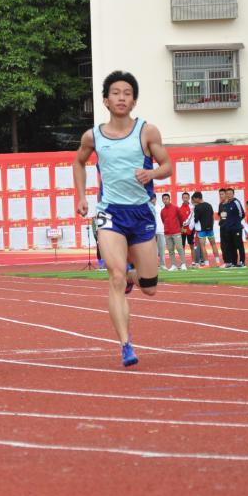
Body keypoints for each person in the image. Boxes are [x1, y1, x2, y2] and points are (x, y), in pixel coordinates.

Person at [73, 71, 172, 368]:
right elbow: (78, 162)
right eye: (115, 93)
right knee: (114, 276)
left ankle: (132, 276)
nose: (121, 98)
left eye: (127, 93)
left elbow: (167, 166)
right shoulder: (93, 136)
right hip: (110, 213)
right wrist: (81, 196)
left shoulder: (147, 131)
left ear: (134, 101)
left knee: (150, 287)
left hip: (141, 213)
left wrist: (152, 173)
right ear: (105, 100)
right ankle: (126, 344)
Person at [190, 192, 220, 266]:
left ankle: (207, 263)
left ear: (197, 198)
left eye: (194, 199)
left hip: (202, 230)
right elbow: (212, 217)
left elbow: (196, 219)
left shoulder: (197, 207)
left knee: (203, 246)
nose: (194, 201)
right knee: (213, 244)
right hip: (210, 228)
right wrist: (211, 226)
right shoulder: (209, 205)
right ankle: (218, 262)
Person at [159, 193, 186, 270]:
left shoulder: (176, 208)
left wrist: (180, 227)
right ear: (162, 200)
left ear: (169, 199)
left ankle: (183, 264)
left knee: (179, 248)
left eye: (167, 199)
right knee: (170, 250)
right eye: (164, 199)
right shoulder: (162, 211)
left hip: (176, 232)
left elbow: (181, 218)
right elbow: (163, 221)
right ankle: (174, 265)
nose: (165, 200)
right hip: (167, 233)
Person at [149, 194, 166, 269]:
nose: (152, 200)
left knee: (162, 249)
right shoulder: (148, 208)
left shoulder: (161, 207)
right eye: (150, 199)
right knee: (152, 250)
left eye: (153, 199)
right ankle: (153, 265)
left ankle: (162, 264)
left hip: (160, 231)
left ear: (155, 199)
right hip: (151, 232)